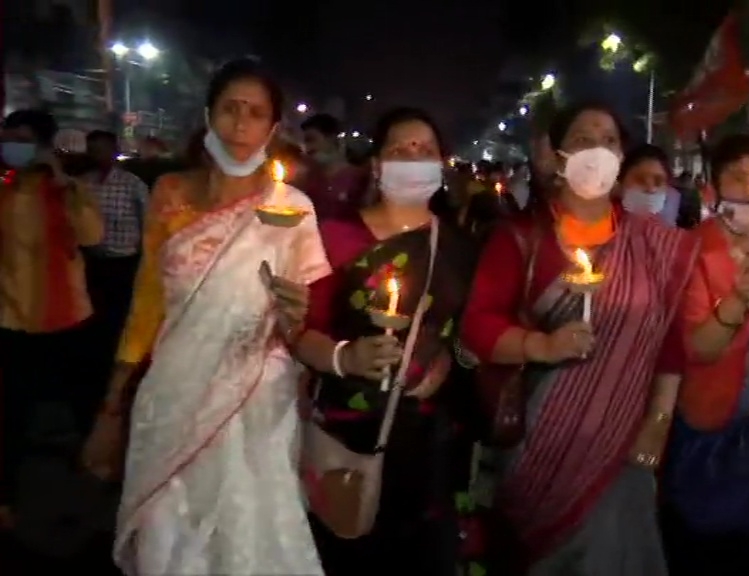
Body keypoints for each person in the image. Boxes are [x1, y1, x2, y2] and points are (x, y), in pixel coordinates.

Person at [80, 59, 330, 575]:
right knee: (169, 540)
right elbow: (148, 304)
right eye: (230, 109)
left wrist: (297, 313)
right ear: (209, 116)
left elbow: (305, 320)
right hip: (173, 392)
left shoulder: (293, 208)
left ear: (272, 129)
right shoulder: (170, 194)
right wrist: (113, 403)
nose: (241, 123)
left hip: (254, 401)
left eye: (256, 113)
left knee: (247, 538)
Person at [459, 101, 697, 576]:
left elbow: (671, 337)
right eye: (584, 140)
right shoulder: (523, 239)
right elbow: (478, 327)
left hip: (622, 446)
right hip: (538, 444)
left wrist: (658, 420)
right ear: (560, 154)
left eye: (609, 141)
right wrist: (540, 346)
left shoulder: (654, 244)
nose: (598, 151)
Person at [290, 106, 476, 575]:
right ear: (376, 165)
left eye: (425, 150)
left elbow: (468, 335)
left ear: (442, 165)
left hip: (429, 439)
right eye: (400, 149)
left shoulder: (457, 246)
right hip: (346, 432)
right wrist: (343, 356)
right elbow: (296, 330)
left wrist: (449, 362)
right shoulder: (335, 236)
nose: (414, 157)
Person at [660, 134, 749, 576]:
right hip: (706, 438)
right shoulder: (693, 251)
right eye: (739, 177)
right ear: (713, 189)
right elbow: (698, 348)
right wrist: (735, 303)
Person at [0, 109, 105, 529]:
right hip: (12, 317)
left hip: (68, 316)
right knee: (10, 412)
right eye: (8, 136)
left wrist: (67, 185)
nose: (12, 144)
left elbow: (93, 237)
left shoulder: (67, 189)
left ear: (42, 144)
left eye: (22, 137)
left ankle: (98, 474)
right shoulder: (4, 188)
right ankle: (5, 496)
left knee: (84, 403)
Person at [82, 130, 151, 386]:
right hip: (92, 262)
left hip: (124, 263)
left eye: (102, 148)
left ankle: (121, 373)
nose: (97, 154)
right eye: (93, 149)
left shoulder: (132, 184)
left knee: (120, 320)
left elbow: (149, 223)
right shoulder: (83, 183)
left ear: (113, 151)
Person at [301, 112, 369, 220]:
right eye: (305, 142)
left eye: (311, 140)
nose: (308, 148)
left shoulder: (359, 178)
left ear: (331, 138)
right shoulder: (308, 179)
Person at [617, 143, 683, 226]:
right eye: (640, 180)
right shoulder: (602, 225)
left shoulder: (670, 235)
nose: (650, 189)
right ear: (620, 182)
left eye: (658, 182)